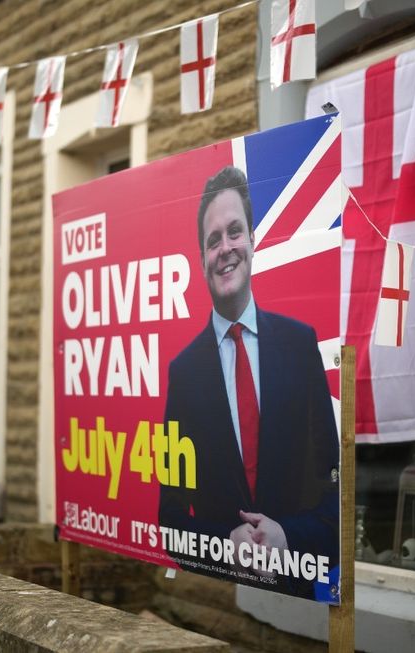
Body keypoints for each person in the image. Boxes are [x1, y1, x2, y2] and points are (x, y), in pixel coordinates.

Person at [159, 165, 339, 598]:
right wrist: (224, 545)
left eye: (234, 232)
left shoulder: (300, 345)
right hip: (222, 604)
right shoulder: (183, 373)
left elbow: (335, 494)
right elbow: (170, 518)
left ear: (254, 240)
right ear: (202, 259)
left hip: (298, 594)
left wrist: (287, 536)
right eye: (213, 239)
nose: (225, 248)